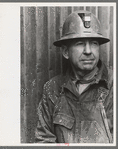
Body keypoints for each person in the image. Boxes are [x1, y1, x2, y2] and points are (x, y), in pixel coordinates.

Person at [35, 10, 113, 143]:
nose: (88, 51)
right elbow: (44, 140)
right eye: (80, 43)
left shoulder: (112, 86)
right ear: (66, 52)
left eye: (94, 43)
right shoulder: (52, 89)